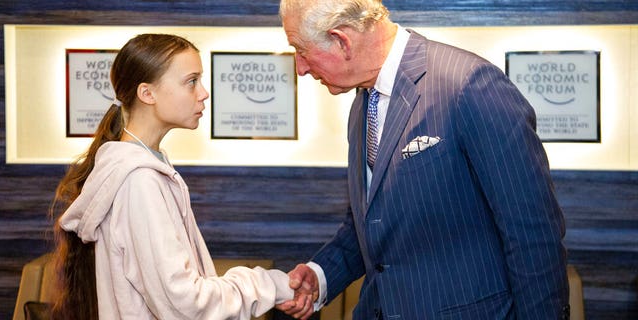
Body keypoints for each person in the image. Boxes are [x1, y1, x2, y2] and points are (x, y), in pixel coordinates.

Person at [276, 0, 570, 319]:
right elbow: (372, 222)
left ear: (341, 40)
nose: (300, 68)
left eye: (301, 50)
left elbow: (533, 236)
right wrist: (320, 276)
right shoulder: (363, 103)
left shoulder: (470, 86)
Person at [48, 33, 302, 319]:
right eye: (191, 81)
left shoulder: (144, 169)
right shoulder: (139, 181)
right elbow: (184, 305)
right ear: (147, 93)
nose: (203, 92)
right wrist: (268, 284)